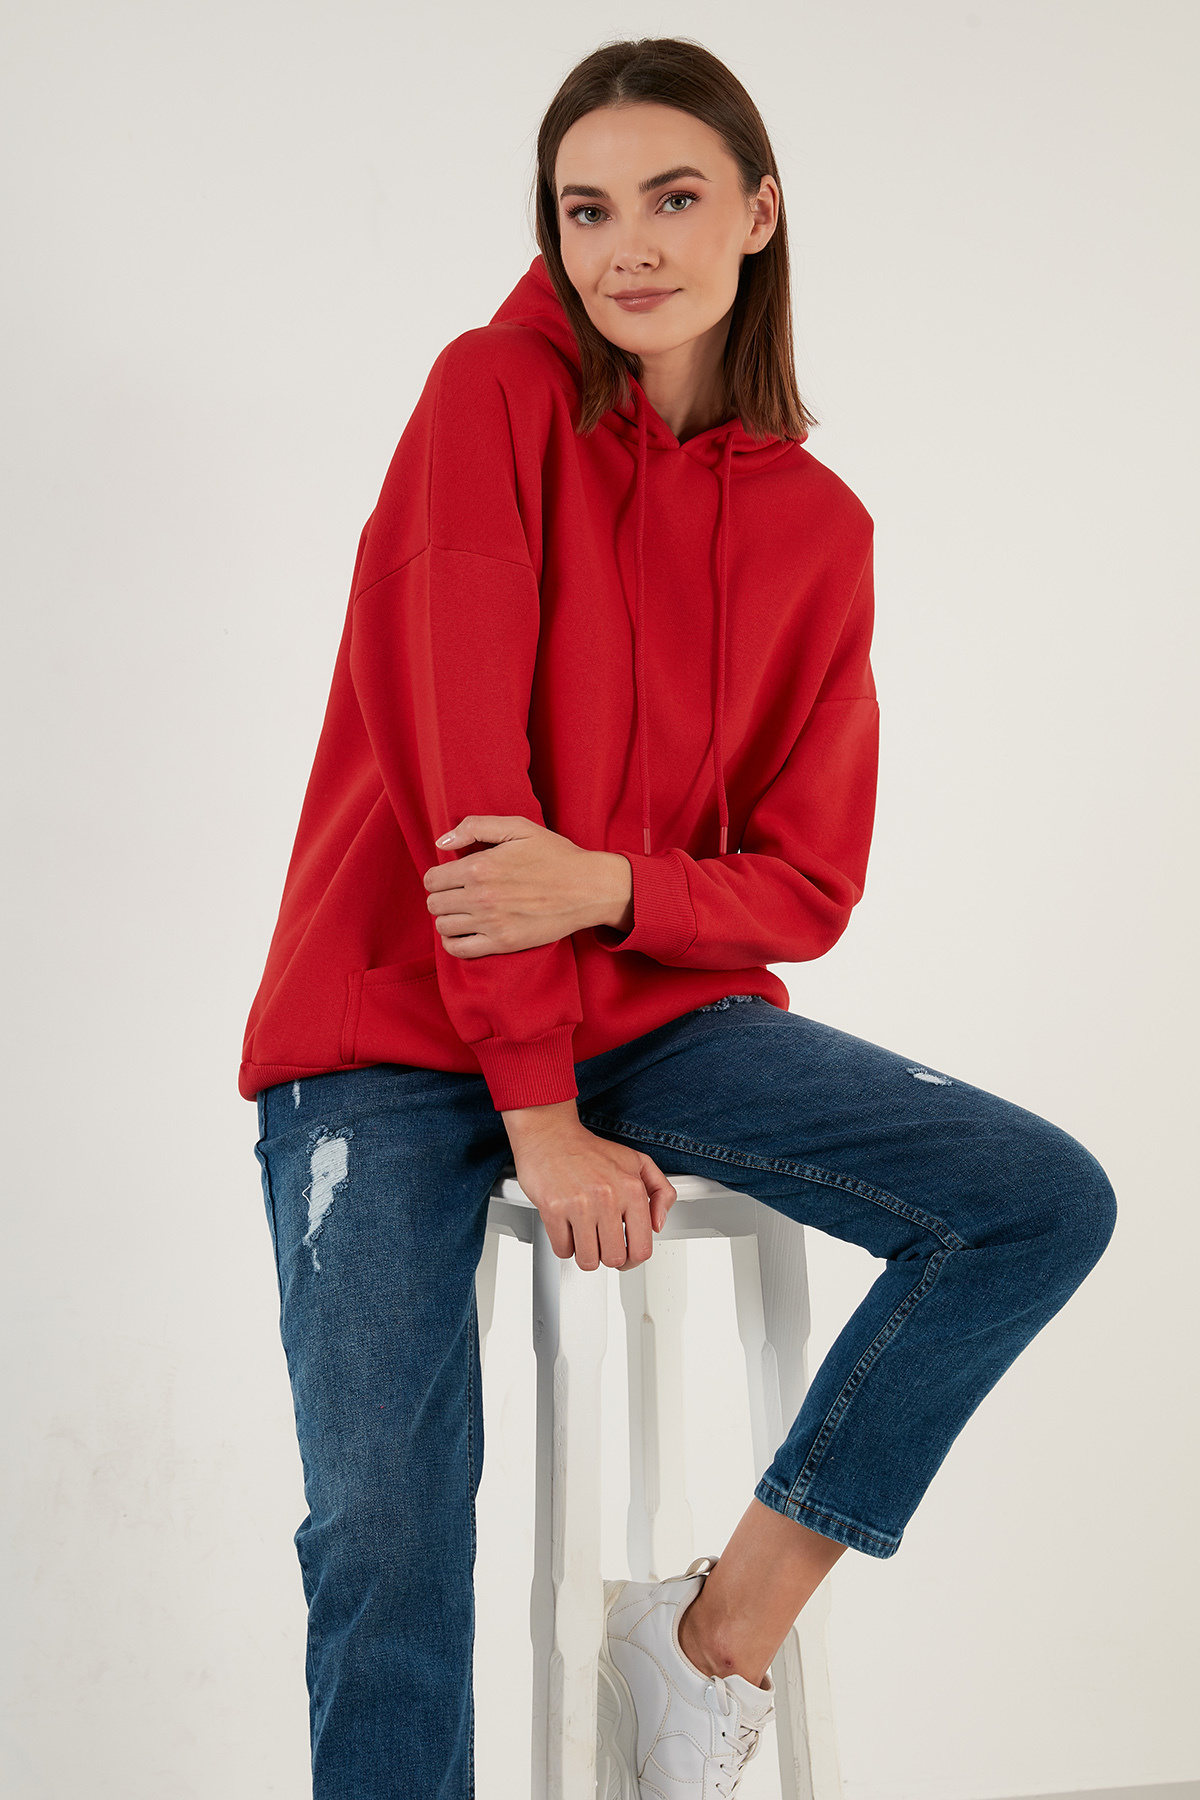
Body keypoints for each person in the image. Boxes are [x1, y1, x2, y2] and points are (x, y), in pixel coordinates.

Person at [241, 37, 1117, 1800]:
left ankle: (717, 1636)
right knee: (386, 1531)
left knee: (1035, 1202)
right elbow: (469, 812)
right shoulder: (489, 395)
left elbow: (810, 879)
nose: (628, 244)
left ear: (760, 212)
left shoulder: (821, 529)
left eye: (674, 196)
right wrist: (539, 1115)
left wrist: (621, 887)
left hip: (654, 1017)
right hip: (393, 1027)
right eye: (586, 209)